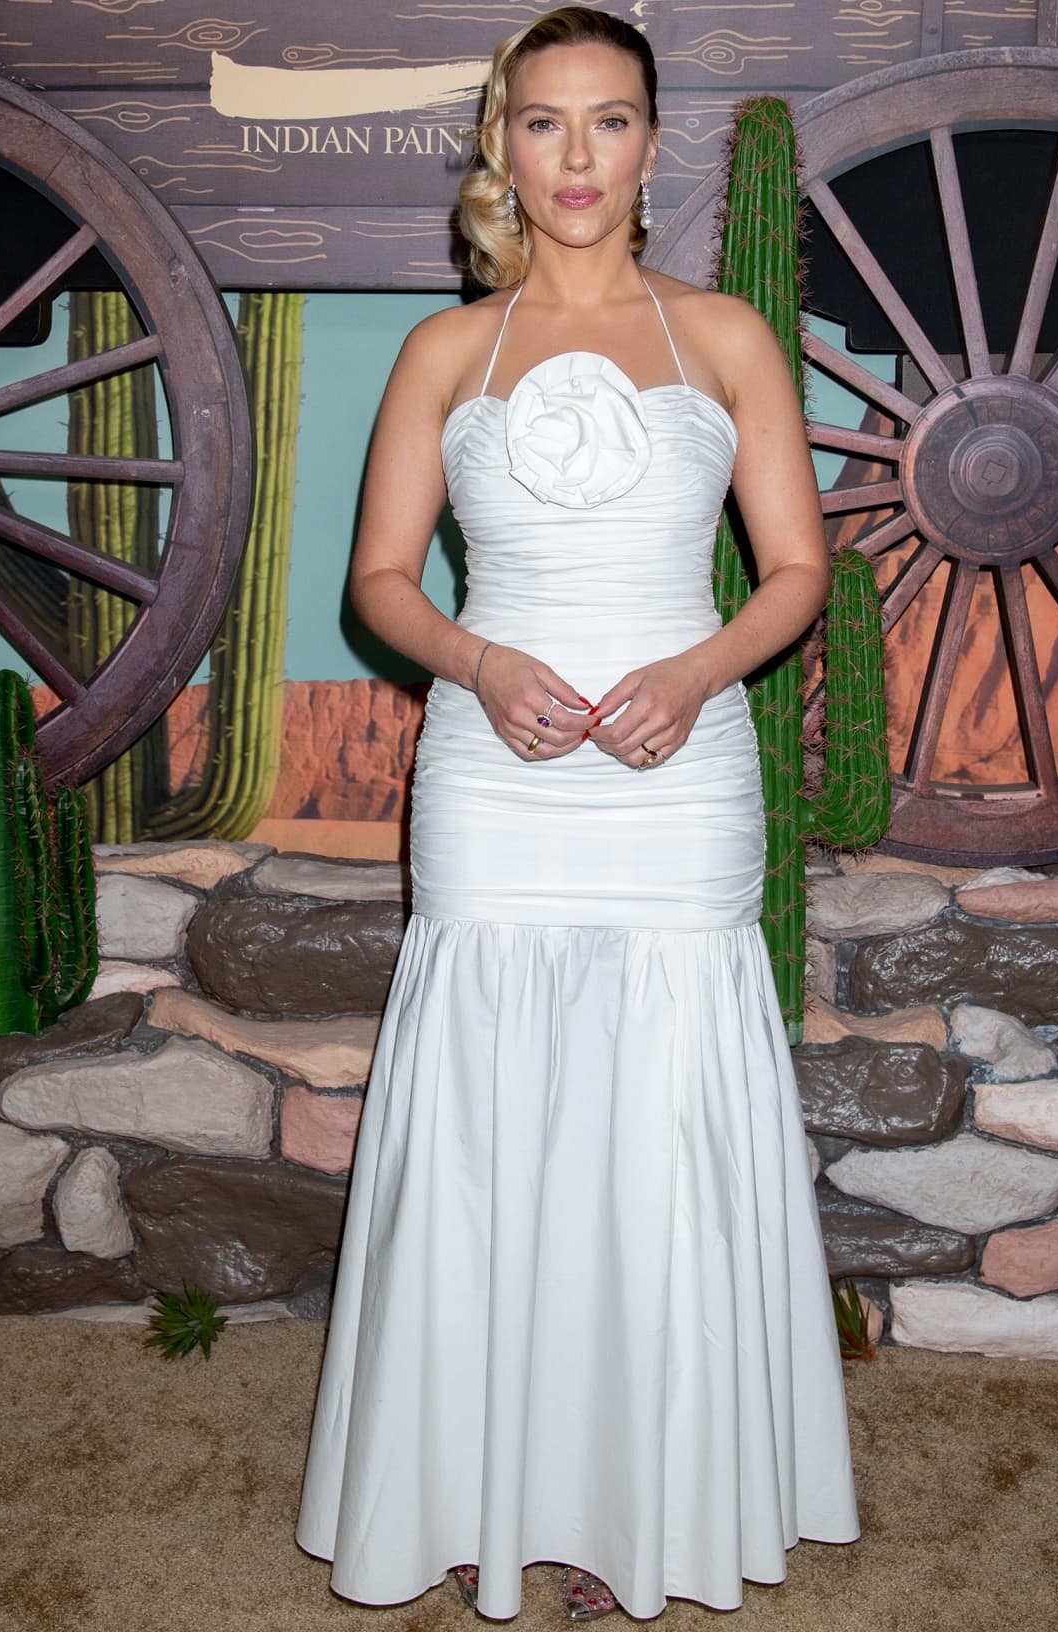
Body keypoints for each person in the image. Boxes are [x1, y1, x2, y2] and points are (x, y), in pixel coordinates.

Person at [295, 6, 859, 1620]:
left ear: (655, 147)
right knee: (490, 1129)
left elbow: (802, 571)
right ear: (504, 147)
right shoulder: (443, 354)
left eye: (610, 123)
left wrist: (695, 676)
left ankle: (651, 1511)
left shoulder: (732, 336)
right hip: (493, 778)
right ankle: (474, 1487)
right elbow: (380, 583)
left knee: (658, 1127)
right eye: (544, 124)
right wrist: (477, 660)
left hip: (680, 782)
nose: (577, 159)